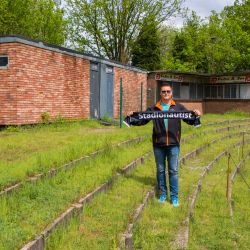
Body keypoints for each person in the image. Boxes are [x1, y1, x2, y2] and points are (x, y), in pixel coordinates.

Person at [127, 82, 201, 207]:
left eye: (168, 91)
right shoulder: (154, 108)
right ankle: (162, 194)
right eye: (163, 91)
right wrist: (132, 116)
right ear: (160, 93)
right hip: (158, 145)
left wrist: (196, 114)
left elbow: (188, 119)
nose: (166, 93)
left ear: (171, 93)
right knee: (160, 170)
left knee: (173, 170)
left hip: (173, 144)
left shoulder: (178, 107)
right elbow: (143, 120)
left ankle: (174, 197)